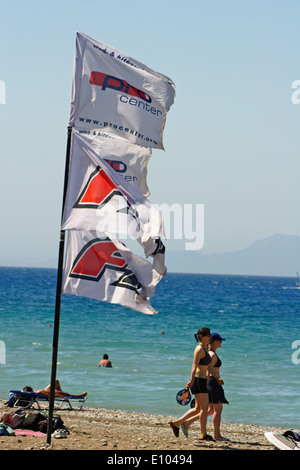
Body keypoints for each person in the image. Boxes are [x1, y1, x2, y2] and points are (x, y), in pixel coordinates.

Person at [168, 327, 220, 441]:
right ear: (202, 336)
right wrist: (191, 380)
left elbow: (208, 367)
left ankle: (176, 423)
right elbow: (194, 365)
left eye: (210, 335)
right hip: (197, 380)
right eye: (208, 335)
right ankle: (203, 434)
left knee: (198, 409)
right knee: (204, 408)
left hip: (202, 380)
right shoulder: (199, 349)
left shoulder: (205, 349)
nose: (210, 337)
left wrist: (216, 378)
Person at [180, 332, 229, 441]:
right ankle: (217, 435)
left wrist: (216, 379)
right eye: (220, 340)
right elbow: (207, 369)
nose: (221, 342)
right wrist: (209, 383)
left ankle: (187, 423)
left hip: (212, 382)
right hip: (212, 383)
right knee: (217, 409)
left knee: (210, 410)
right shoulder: (211, 354)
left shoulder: (210, 353)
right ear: (215, 342)